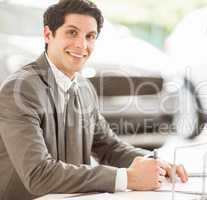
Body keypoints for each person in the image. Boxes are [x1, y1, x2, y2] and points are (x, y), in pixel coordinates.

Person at [0, 0, 188, 199]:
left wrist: (154, 163)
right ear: (48, 34)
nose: (82, 45)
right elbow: (38, 174)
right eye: (72, 33)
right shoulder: (20, 89)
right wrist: (127, 178)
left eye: (90, 36)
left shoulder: (83, 87)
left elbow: (108, 147)